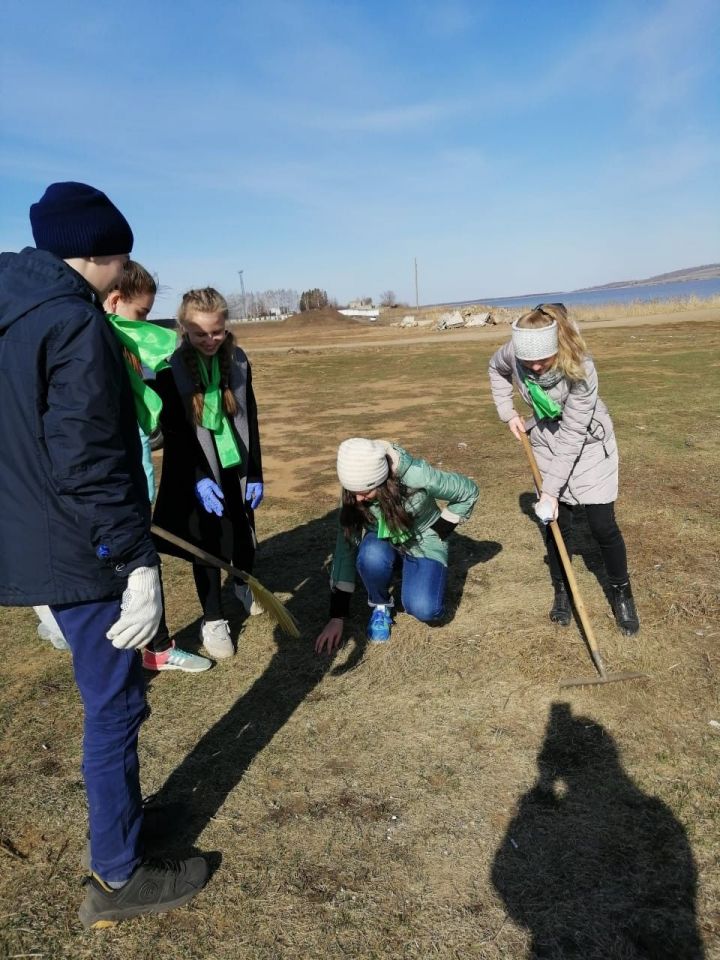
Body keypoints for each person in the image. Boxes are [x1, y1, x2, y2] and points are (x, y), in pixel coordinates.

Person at [0, 181, 208, 927]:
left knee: (119, 694)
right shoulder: (72, 324)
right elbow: (90, 460)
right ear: (96, 252)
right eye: (120, 256)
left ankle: (124, 822)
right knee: (115, 703)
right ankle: (119, 876)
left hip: (41, 536)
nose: (126, 271)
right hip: (82, 550)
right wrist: (136, 561)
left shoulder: (13, 308)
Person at [32, 262, 211, 673]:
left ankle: (155, 646)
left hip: (129, 483)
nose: (147, 323)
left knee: (138, 564)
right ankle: (133, 647)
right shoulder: (90, 349)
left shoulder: (121, 348)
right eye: (142, 314)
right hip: (105, 491)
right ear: (113, 301)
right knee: (122, 568)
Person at [488, 303, 640, 634]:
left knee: (602, 526)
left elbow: (573, 435)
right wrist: (508, 412)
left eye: (543, 360)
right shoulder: (517, 352)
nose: (536, 367)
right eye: (529, 363)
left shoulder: (581, 368)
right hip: (544, 441)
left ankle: (621, 593)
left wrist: (549, 491)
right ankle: (562, 590)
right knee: (558, 524)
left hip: (586, 444)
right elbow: (495, 368)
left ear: (557, 347)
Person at [152, 287, 264, 661]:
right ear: (184, 329)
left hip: (235, 465)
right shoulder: (170, 369)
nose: (210, 340)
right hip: (195, 469)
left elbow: (250, 417)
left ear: (226, 326)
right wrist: (199, 477)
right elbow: (177, 433)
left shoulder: (240, 361)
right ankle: (213, 618)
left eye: (216, 332)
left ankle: (243, 583)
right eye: (200, 334)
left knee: (243, 531)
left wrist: (257, 472)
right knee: (207, 542)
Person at [315, 438, 479, 653]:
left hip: (422, 540)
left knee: (425, 610)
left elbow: (468, 491)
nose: (358, 499)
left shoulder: (416, 475)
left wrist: (440, 530)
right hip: (382, 541)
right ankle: (380, 603)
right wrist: (337, 616)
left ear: (382, 480)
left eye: (365, 492)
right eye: (352, 491)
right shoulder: (354, 492)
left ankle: (414, 571)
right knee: (370, 555)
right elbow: (345, 547)